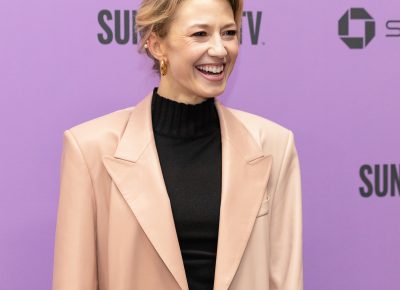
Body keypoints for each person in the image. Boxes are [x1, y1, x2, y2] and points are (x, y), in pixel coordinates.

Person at [52, 0, 304, 289]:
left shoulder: (273, 146)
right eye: (200, 34)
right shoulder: (89, 149)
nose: (221, 49)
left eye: (229, 33)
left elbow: (284, 280)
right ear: (157, 44)